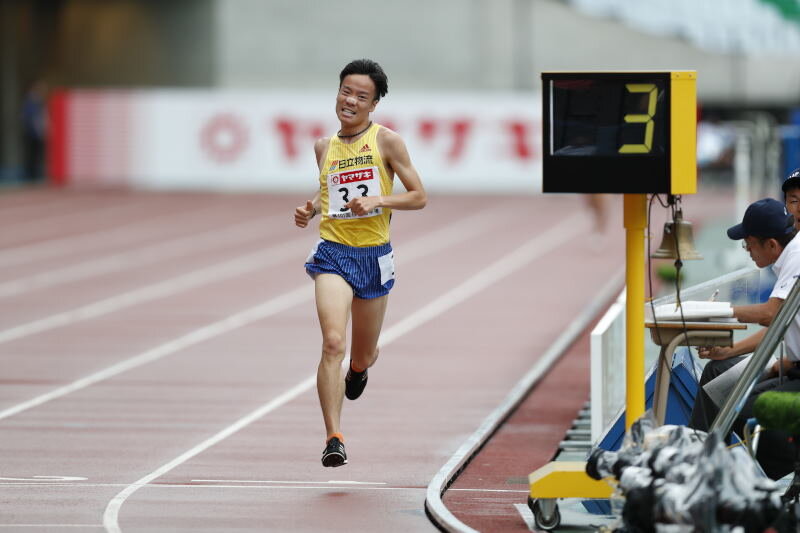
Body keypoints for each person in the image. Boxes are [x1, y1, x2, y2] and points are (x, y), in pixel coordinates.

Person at [294, 59, 427, 467]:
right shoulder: (323, 147)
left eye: (361, 96)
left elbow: (418, 196)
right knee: (333, 341)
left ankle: (359, 367)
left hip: (373, 257)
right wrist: (311, 208)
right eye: (345, 91)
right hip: (333, 252)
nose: (350, 100)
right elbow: (329, 192)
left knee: (363, 353)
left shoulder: (387, 142)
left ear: (374, 104)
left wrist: (377, 200)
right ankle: (334, 437)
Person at [688, 196, 800, 479]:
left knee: (741, 404)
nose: (747, 250)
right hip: (790, 368)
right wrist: (729, 351)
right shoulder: (789, 257)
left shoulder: (797, 258)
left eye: (748, 243)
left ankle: (781, 466)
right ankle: (696, 463)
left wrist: (721, 311)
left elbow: (772, 314)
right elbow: (782, 324)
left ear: (771, 245)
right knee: (718, 373)